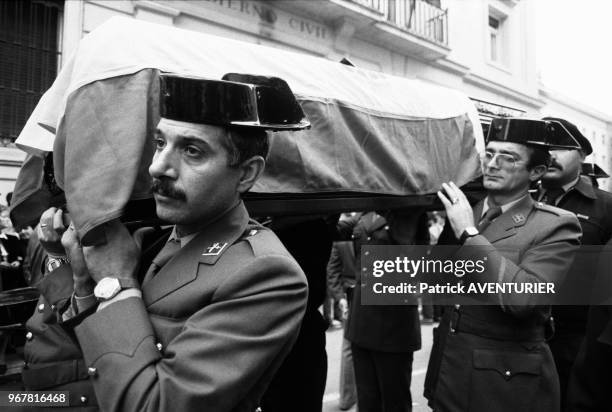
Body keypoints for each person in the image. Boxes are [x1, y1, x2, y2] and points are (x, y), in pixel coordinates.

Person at [31, 73, 309, 412]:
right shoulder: (150, 239)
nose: (157, 167)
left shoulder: (265, 273)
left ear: (247, 173)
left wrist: (115, 283)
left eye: (192, 151)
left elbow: (154, 404)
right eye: (160, 143)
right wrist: (71, 266)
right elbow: (94, 359)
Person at [425, 117, 582, 412]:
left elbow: (525, 299)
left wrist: (469, 235)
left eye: (508, 157)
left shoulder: (555, 226)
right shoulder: (464, 210)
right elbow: (437, 283)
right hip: (449, 372)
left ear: (536, 171)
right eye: (490, 154)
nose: (493, 164)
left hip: (502, 385)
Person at [537, 116, 612, 410]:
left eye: (561, 147)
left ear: (581, 154)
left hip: (577, 345)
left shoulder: (606, 208)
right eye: (544, 147)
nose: (551, 154)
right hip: (521, 342)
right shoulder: (520, 201)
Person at [338, 210, 425, 412]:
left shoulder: (410, 210)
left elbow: (410, 249)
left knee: (394, 400)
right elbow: (338, 229)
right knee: (367, 401)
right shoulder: (365, 213)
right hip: (362, 322)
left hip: (394, 324)